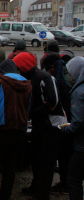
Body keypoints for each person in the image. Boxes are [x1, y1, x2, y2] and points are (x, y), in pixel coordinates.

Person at [14, 52, 63, 199]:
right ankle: (36, 186)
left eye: (19, 67)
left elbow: (52, 102)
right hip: (38, 124)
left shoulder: (45, 78)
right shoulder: (29, 78)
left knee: (46, 161)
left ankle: (43, 192)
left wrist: (32, 113)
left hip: (51, 125)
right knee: (35, 157)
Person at [0, 60, 32, 200]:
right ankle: (5, 195)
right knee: (10, 166)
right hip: (19, 128)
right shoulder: (27, 84)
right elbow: (28, 107)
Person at [41, 53, 74, 193]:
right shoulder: (64, 75)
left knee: (65, 152)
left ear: (52, 67)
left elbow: (57, 101)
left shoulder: (62, 80)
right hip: (68, 120)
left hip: (67, 122)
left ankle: (66, 182)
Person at [62, 57, 84, 200]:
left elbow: (79, 123)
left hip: (82, 145)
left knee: (74, 179)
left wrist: (66, 130)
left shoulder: (79, 92)